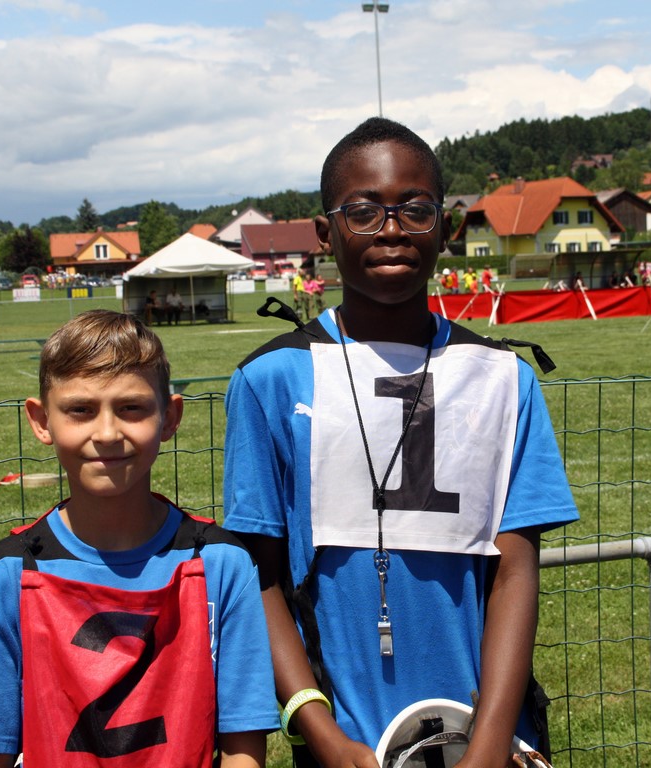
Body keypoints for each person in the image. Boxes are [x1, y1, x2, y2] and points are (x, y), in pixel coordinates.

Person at [222, 117, 578, 768]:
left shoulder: (504, 379)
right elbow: (259, 575)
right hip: (343, 745)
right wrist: (320, 730)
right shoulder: (269, 380)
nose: (391, 229)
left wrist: (489, 743)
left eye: (415, 209)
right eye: (363, 212)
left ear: (447, 227)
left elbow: (515, 570)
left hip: (488, 739)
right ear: (325, 233)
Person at [0, 310, 277, 768]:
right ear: (41, 421)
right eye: (81, 410)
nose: (107, 434)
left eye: (132, 408)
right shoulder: (1, 581)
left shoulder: (223, 566)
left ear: (170, 417)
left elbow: (244, 750)